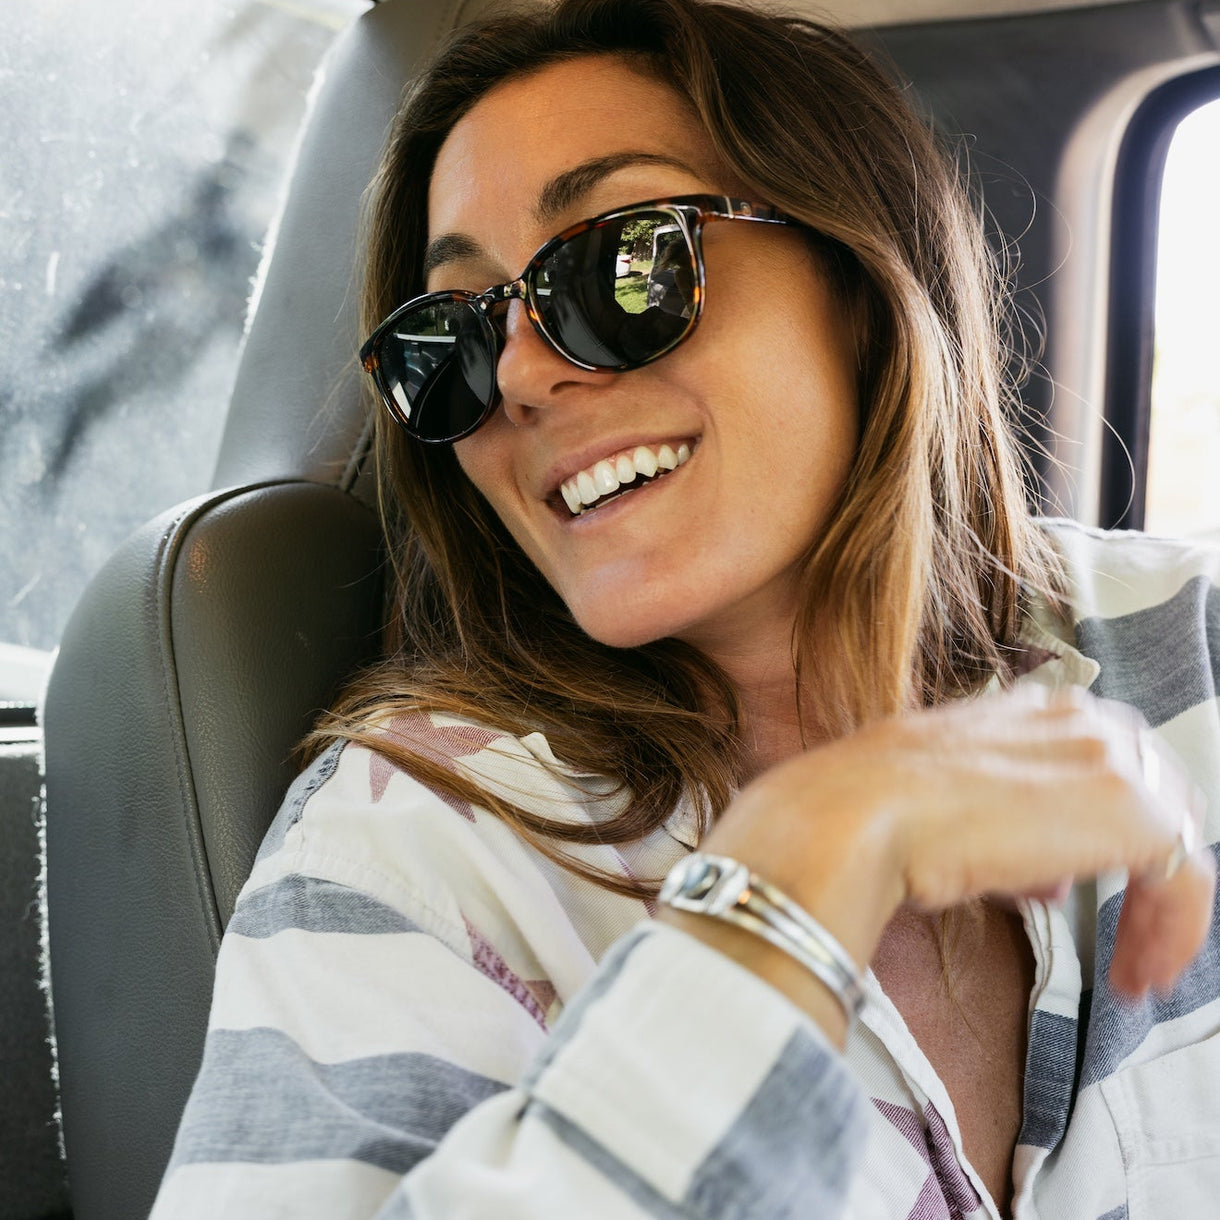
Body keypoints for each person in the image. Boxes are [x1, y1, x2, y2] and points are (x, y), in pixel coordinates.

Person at [149, 1, 1220, 1217]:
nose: (518, 376)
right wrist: (789, 883)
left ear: (859, 275)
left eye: (619, 262)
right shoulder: (411, 852)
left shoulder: (1192, 643)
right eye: (451, 336)